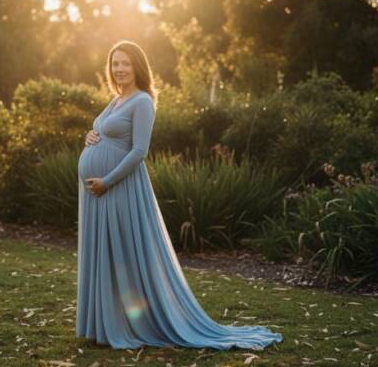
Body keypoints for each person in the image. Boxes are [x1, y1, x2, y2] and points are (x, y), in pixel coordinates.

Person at [75, 40, 284, 350]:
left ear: (137, 67)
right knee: (104, 252)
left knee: (123, 254)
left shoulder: (142, 101)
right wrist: (91, 134)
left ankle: (130, 324)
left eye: (125, 63)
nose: (119, 69)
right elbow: (103, 131)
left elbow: (139, 152)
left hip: (119, 188)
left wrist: (107, 180)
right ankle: (103, 325)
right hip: (96, 194)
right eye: (115, 63)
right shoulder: (116, 100)